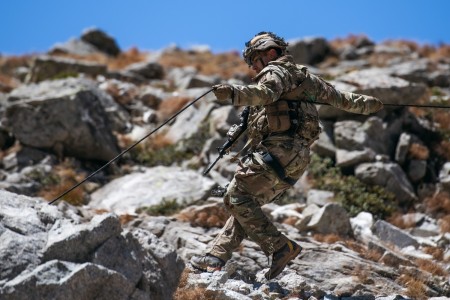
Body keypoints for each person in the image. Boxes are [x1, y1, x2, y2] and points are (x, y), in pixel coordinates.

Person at [190, 31, 383, 280]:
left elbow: (266, 93)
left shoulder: (275, 72)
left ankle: (280, 247)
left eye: (255, 61)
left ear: (270, 54)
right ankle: (215, 257)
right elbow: (343, 100)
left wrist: (234, 94)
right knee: (246, 203)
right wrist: (371, 104)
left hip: (278, 152)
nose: (253, 68)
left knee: (236, 196)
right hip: (297, 160)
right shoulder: (307, 79)